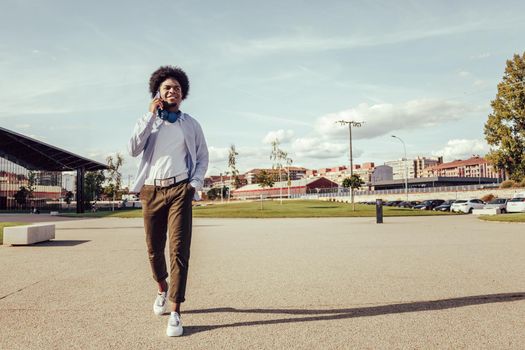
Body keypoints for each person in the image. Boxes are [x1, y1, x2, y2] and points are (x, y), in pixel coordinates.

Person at [128, 66, 209, 337]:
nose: (172, 90)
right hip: (151, 191)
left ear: (182, 94)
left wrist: (193, 185)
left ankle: (175, 311)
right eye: (166, 88)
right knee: (153, 249)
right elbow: (133, 149)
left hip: (179, 190)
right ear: (158, 93)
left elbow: (202, 157)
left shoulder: (191, 124)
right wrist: (150, 117)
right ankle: (161, 289)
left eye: (176, 87)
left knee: (179, 251)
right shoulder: (150, 122)